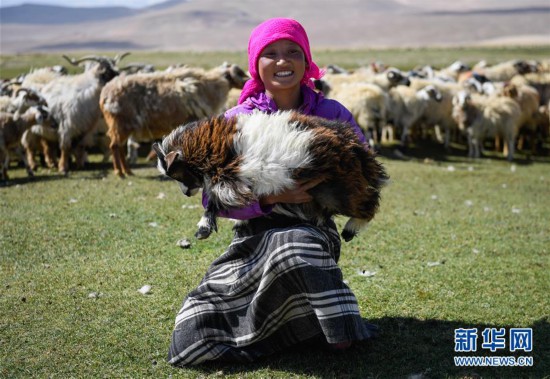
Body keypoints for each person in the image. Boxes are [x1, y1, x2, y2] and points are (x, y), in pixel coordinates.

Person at [168, 17, 377, 367]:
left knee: (295, 248)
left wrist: (322, 189)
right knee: (194, 329)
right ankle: (287, 328)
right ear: (255, 65)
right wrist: (271, 198)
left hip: (313, 227)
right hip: (253, 232)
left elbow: (362, 165)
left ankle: (334, 327)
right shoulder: (234, 119)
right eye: (271, 54)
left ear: (307, 61)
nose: (283, 61)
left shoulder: (331, 112)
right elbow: (211, 197)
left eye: (293, 52)